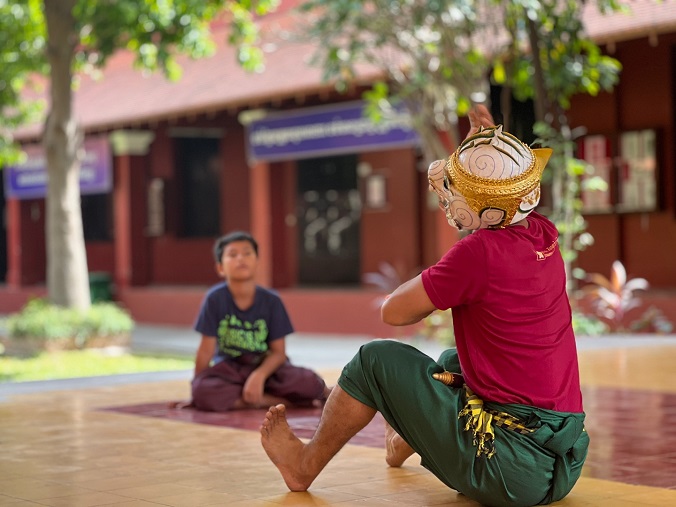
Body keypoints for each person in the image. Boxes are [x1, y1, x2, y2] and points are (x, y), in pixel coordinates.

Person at [259, 105, 589, 507]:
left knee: (373, 360)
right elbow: (495, 214)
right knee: (455, 361)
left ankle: (303, 465)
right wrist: (482, 151)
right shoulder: (543, 234)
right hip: (562, 463)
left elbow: (393, 312)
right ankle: (403, 440)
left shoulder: (477, 254)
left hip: (507, 469)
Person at [186, 231, 331, 411]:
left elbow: (278, 353)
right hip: (230, 371)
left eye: (247, 253)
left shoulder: (272, 300)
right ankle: (276, 402)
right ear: (220, 268)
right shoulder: (214, 299)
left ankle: (250, 397)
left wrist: (259, 376)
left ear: (257, 262)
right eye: (233, 254)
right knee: (203, 391)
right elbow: (206, 350)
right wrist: (196, 393)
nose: (241, 258)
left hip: (267, 368)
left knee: (309, 383)